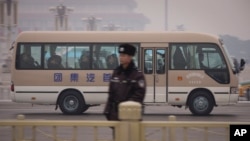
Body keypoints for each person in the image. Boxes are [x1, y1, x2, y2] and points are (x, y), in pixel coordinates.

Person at [104, 44, 146, 121]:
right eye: (120, 55)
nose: (121, 57)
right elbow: (111, 94)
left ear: (130, 57)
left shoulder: (137, 75)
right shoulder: (116, 73)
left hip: (131, 117)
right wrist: (107, 111)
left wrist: (125, 107)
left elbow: (139, 95)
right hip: (116, 116)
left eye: (123, 55)